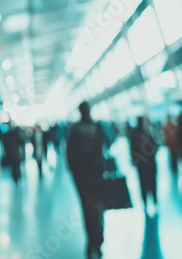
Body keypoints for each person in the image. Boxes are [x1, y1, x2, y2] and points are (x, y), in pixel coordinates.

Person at [66, 102, 111, 259]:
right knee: (99, 207)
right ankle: (98, 241)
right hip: (98, 175)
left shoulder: (74, 129)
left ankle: (91, 241)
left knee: (86, 209)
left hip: (82, 177)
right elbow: (108, 142)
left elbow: (69, 156)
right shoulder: (98, 127)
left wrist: (75, 175)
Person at [130, 117, 159, 207]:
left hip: (141, 165)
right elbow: (155, 146)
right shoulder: (148, 133)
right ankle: (154, 200)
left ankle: (145, 201)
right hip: (149, 164)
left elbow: (132, 150)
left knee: (143, 184)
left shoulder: (135, 134)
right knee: (152, 182)